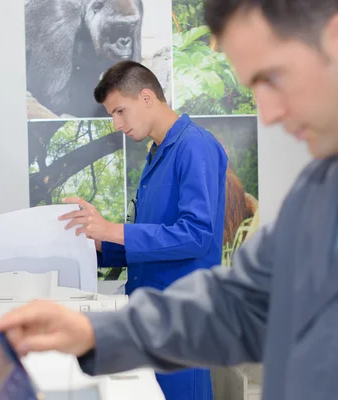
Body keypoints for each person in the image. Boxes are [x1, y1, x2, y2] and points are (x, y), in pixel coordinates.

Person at [0, 0, 338, 398]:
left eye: (273, 78)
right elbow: (239, 303)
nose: (269, 115)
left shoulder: (197, 147)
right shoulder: (323, 186)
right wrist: (94, 332)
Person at [56, 60, 228, 400]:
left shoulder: (195, 146)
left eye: (120, 111)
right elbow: (155, 239)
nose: (117, 124)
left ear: (147, 97)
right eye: (112, 115)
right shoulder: (156, 154)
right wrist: (98, 243)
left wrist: (112, 229)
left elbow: (196, 235)